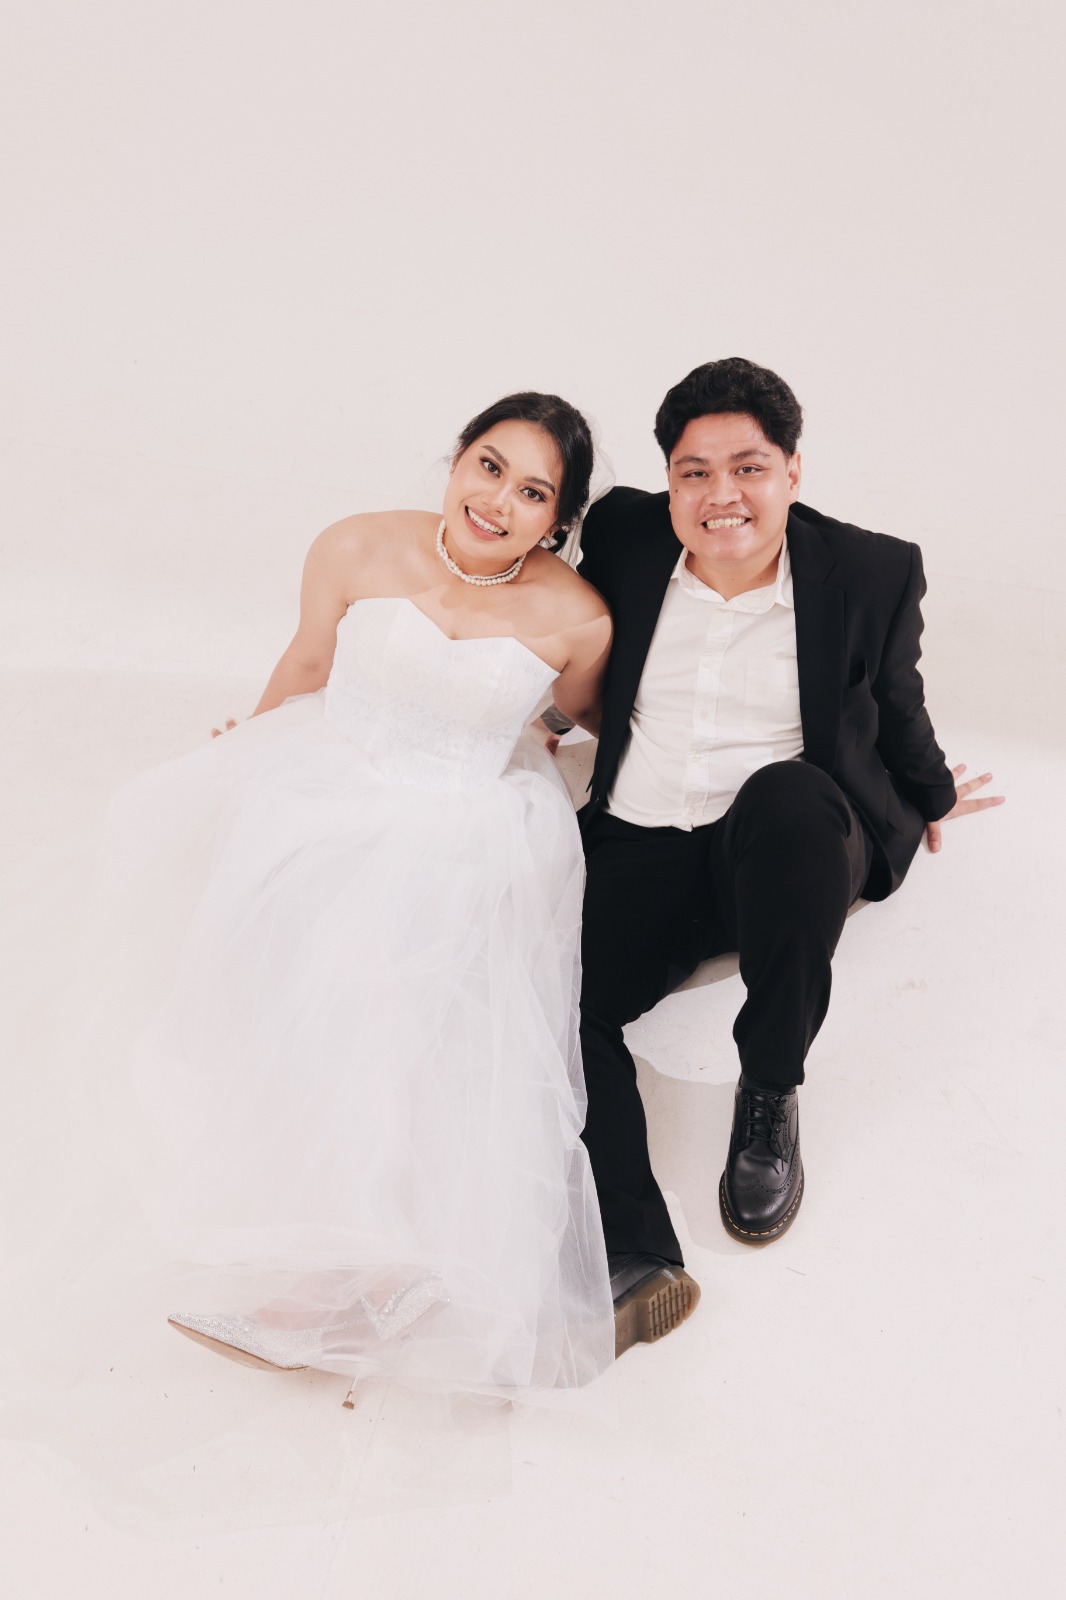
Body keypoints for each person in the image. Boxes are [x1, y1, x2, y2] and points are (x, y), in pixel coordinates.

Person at [104, 391, 617, 1403]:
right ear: (457, 459)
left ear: (558, 520)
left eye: (532, 493)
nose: (497, 501)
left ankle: (333, 1287)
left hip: (465, 824)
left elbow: (582, 719)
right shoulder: (354, 544)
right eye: (488, 466)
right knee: (317, 994)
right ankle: (376, 1271)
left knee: (388, 991)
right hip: (330, 789)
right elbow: (306, 662)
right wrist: (242, 761)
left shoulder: (578, 617)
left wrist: (534, 734)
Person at [564, 358, 1004, 1349]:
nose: (721, 495)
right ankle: (635, 1254)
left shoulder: (868, 571)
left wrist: (931, 792)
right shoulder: (625, 535)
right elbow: (557, 626)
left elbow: (895, 699)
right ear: (667, 481)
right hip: (641, 836)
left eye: (748, 468)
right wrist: (533, 712)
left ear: (793, 472)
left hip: (782, 846)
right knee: (557, 998)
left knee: (790, 793)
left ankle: (768, 1090)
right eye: (694, 472)